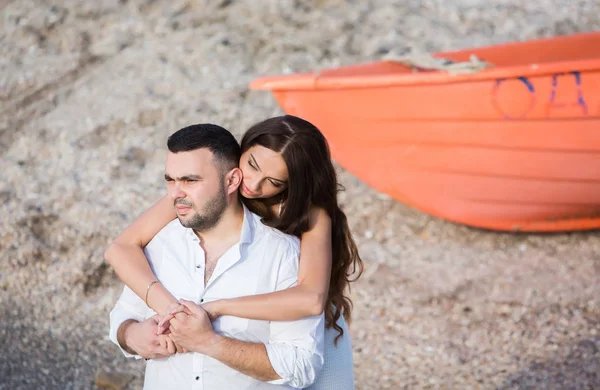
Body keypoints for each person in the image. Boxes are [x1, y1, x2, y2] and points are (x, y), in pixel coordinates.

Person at [105, 115, 364, 389]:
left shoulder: (309, 215)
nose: (252, 183)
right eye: (251, 165)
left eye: (273, 181)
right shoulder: (198, 196)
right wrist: (171, 311)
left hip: (309, 301)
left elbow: (311, 298)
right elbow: (120, 248)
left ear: (292, 185)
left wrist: (217, 308)